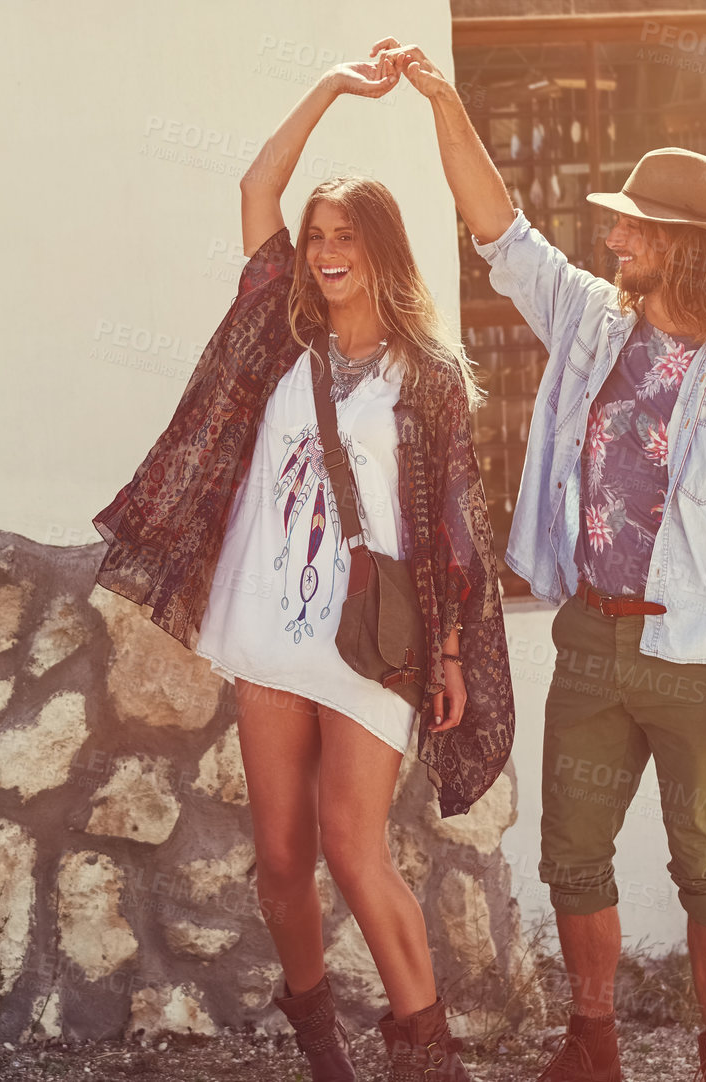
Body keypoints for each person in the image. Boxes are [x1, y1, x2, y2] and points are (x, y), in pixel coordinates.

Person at [372, 38, 706, 1082]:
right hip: (587, 642)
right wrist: (441, 97)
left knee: (704, 860)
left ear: (679, 243)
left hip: (695, 657)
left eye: (629, 226)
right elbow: (497, 229)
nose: (610, 238)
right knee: (569, 856)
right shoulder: (587, 321)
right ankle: (593, 1041)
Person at [92, 56, 515, 1082]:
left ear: (379, 252)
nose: (324, 253)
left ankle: (427, 1055)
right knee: (279, 857)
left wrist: (451, 650)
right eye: (316, 237)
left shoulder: (429, 378)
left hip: (371, 639)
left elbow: (452, 532)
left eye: (343, 238)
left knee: (352, 845)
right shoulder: (278, 330)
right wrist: (328, 88)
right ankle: (320, 1040)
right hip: (272, 632)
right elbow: (253, 190)